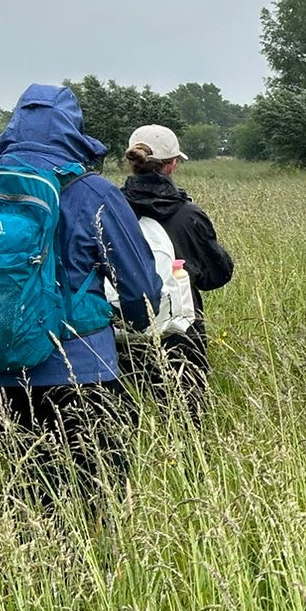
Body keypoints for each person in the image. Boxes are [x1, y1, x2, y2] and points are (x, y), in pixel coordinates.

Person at [0, 83, 161, 510]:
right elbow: (141, 290)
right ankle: (89, 568)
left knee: (30, 479)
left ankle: (32, 563)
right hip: (78, 372)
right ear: (73, 130)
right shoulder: (94, 191)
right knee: (98, 492)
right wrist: (137, 324)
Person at [118, 124, 234, 416]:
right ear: (171, 165)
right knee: (186, 420)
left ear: (132, 162)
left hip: (120, 332)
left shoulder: (110, 208)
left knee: (129, 417)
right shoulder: (188, 215)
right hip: (180, 332)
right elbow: (217, 275)